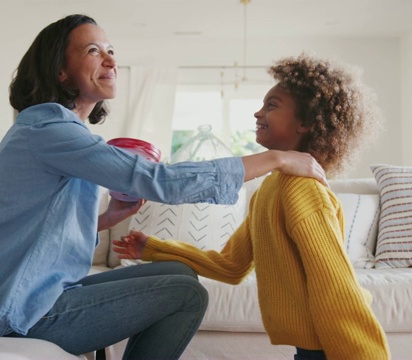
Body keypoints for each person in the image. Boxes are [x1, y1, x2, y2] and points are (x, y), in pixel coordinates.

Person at [0, 14, 327, 359]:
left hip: (24, 299)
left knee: (180, 273)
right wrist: (275, 158)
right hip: (14, 314)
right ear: (61, 71)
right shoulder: (50, 130)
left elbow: (30, 226)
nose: (111, 61)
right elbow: (158, 179)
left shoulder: (52, 130)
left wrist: (107, 217)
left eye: (112, 51)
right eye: (93, 51)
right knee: (186, 295)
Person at [114, 54, 391, 360]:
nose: (258, 112)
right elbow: (231, 266)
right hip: (311, 350)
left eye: (271, 105)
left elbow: (336, 284)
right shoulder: (271, 188)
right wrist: (153, 248)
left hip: (332, 350)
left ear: (306, 122)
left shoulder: (303, 190)